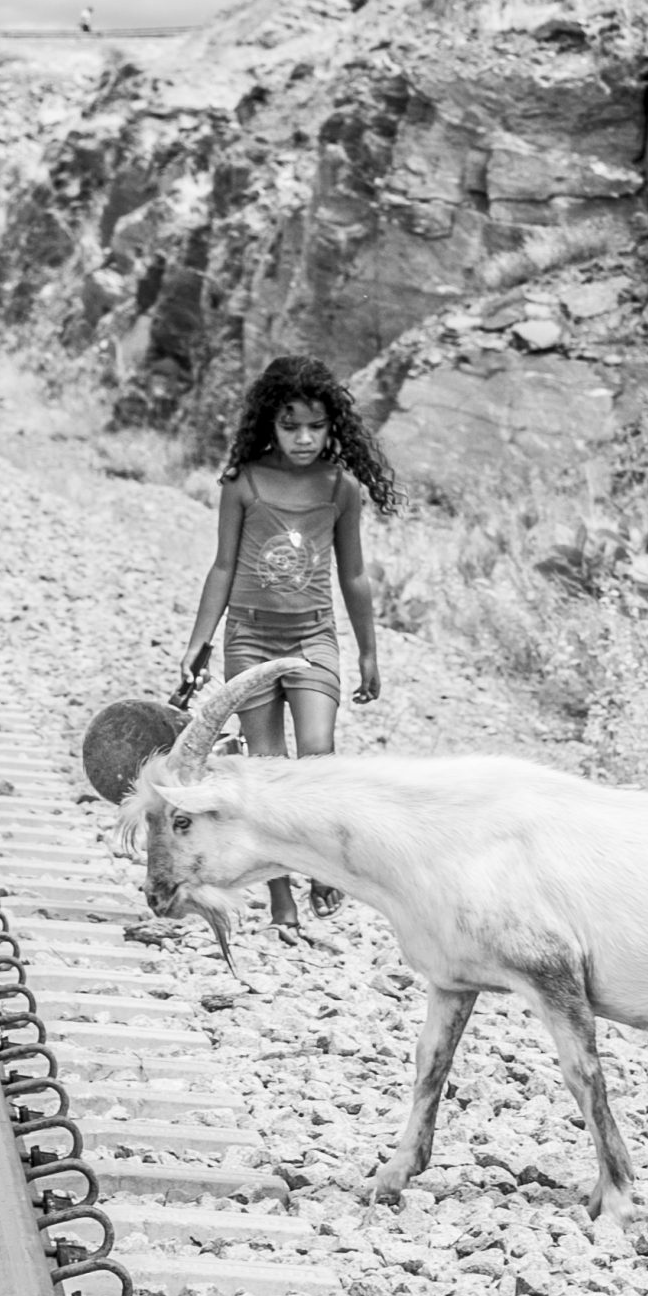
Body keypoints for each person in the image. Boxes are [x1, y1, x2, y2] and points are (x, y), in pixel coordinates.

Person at [181, 355, 397, 947]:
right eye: (291, 426)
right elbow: (223, 567)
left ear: (333, 427)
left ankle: (323, 868)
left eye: (316, 427)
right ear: (268, 425)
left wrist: (369, 652)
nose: (304, 438)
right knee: (267, 764)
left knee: (319, 754)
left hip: (313, 637)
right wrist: (200, 642)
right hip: (249, 637)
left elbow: (353, 575)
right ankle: (282, 899)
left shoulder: (341, 488)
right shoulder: (243, 483)